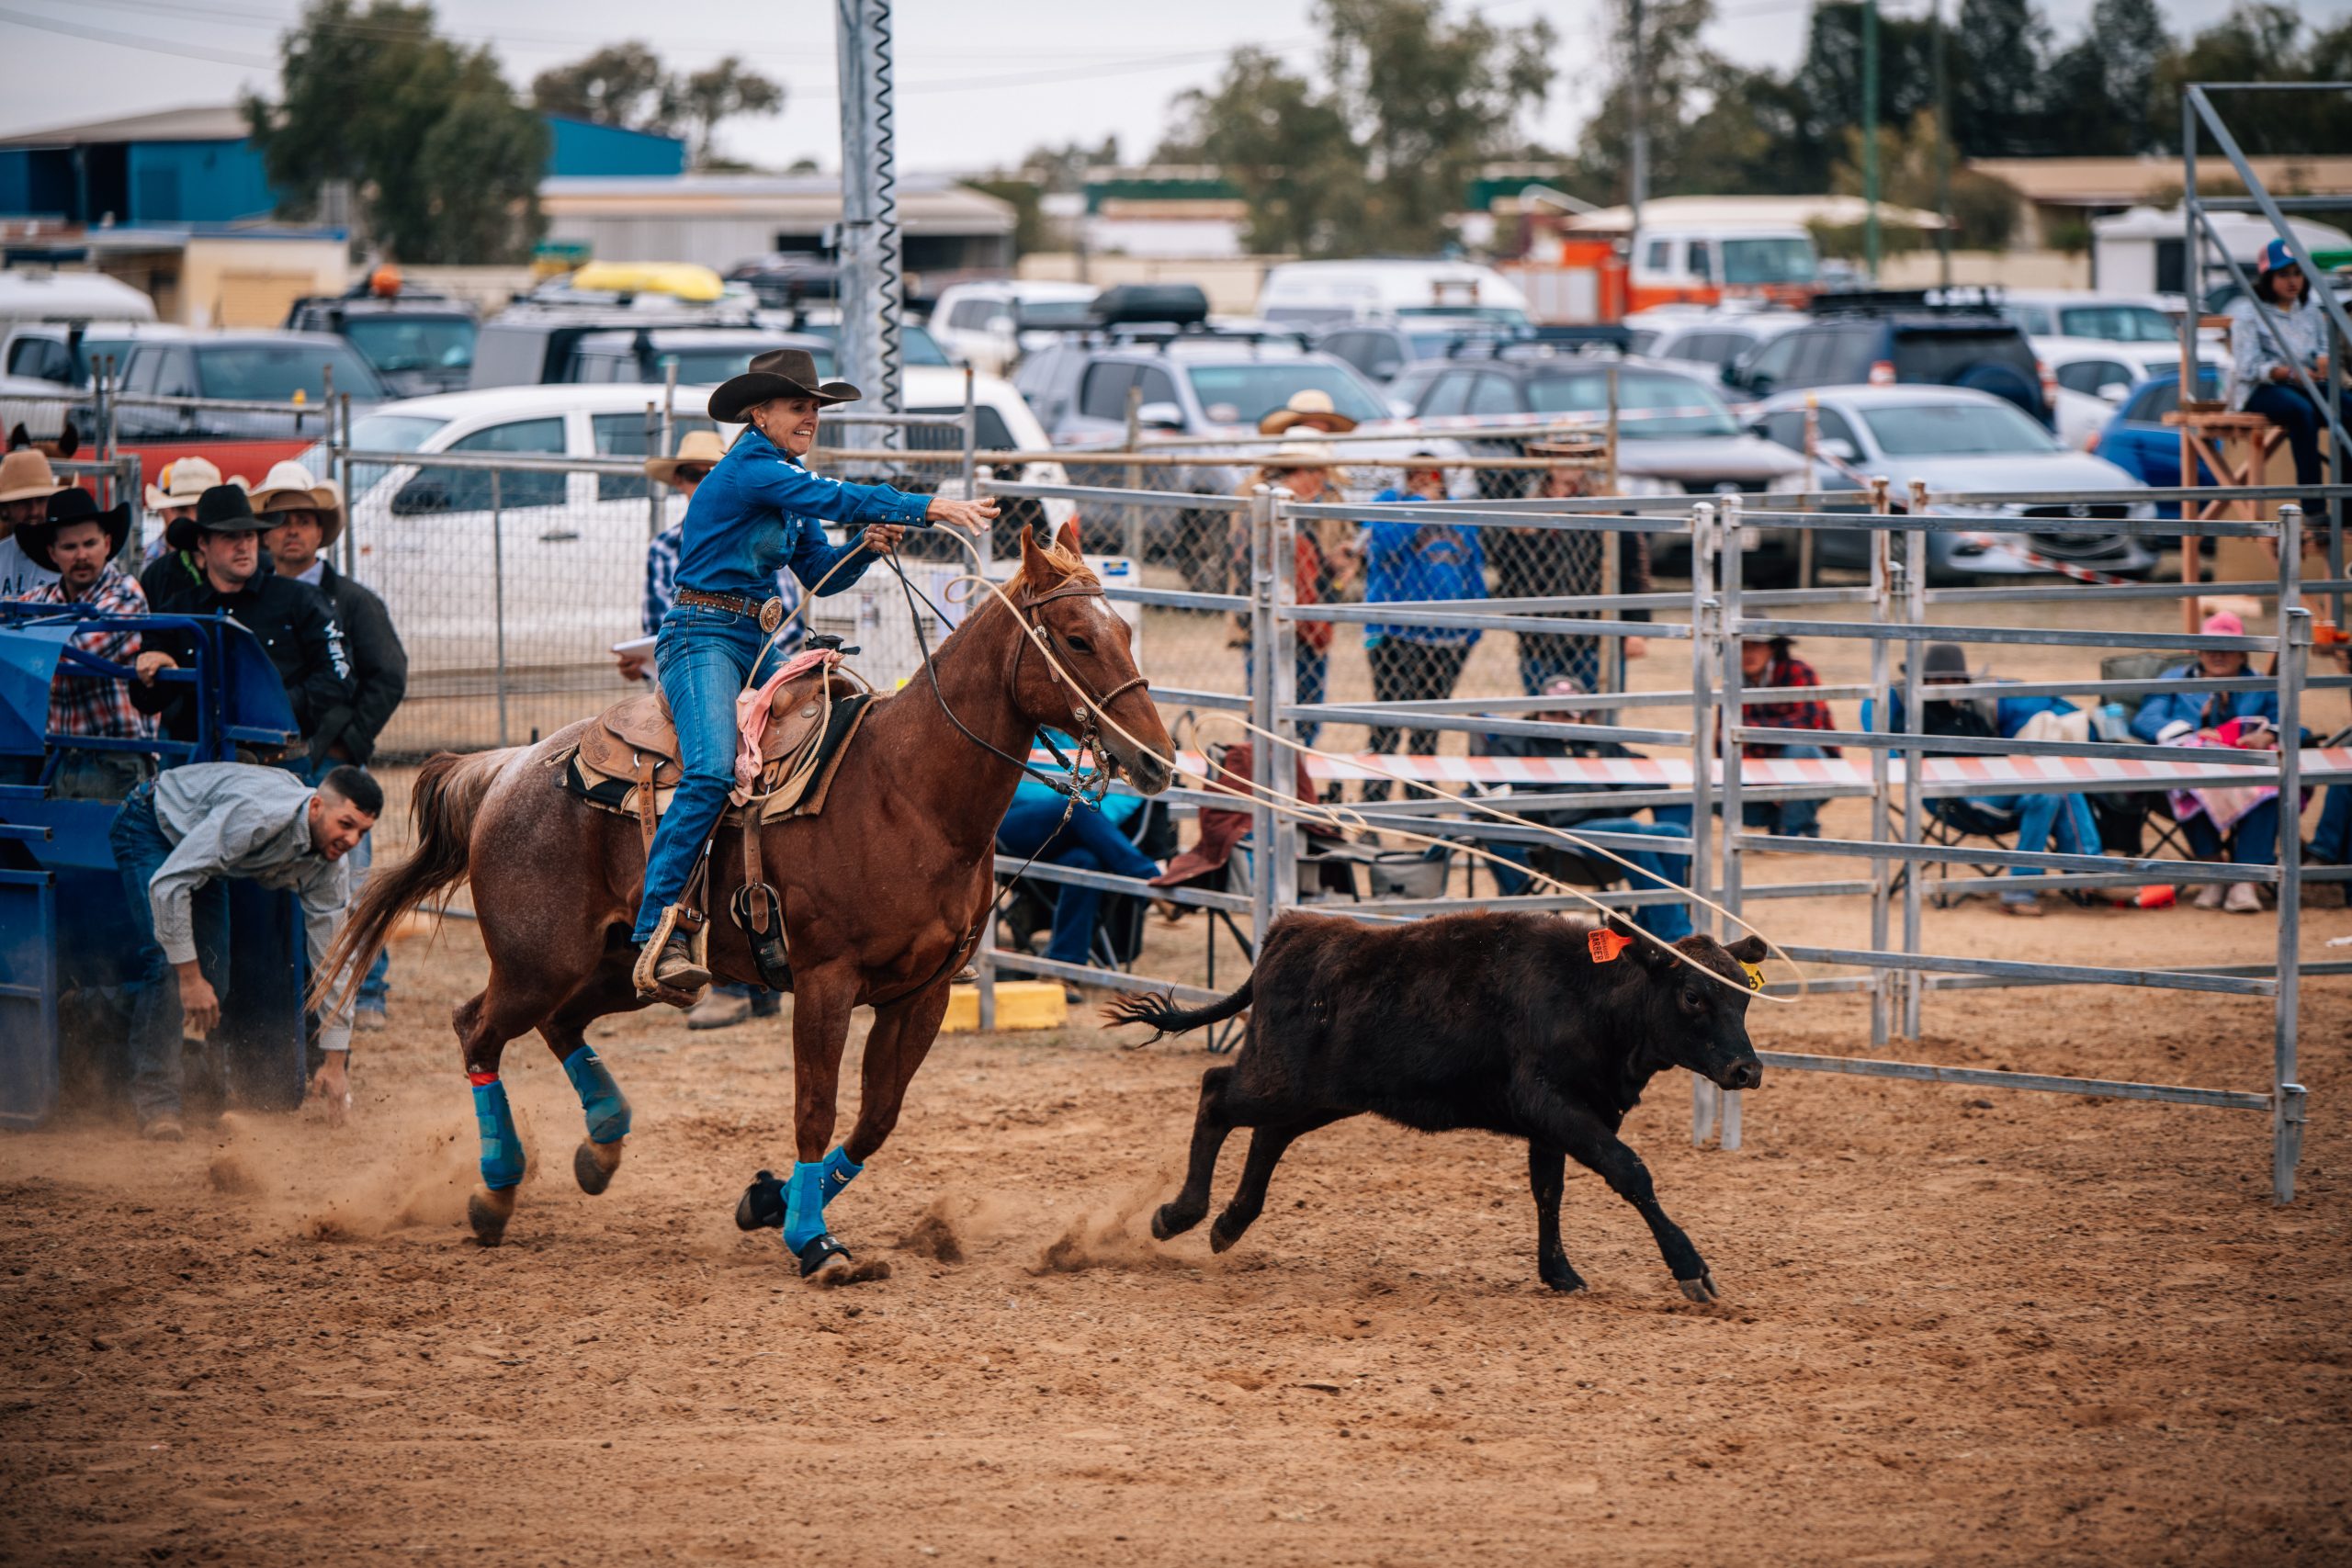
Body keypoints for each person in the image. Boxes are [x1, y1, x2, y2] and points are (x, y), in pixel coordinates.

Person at [631, 348, 995, 998]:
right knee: (713, 768)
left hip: (755, 639)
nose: (810, 418)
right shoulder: (753, 471)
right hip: (701, 638)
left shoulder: (783, 480)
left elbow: (819, 572)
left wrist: (866, 548)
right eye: (799, 406)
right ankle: (658, 928)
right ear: (759, 412)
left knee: (846, 739)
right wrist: (929, 506)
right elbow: (841, 497)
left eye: (814, 409)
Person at [624, 427, 795, 1030]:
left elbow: (792, 611)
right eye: (691, 476)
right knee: (711, 772)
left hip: (755, 654)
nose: (699, 484)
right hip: (699, 657)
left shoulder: (767, 522)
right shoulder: (666, 547)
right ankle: (661, 929)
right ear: (680, 483)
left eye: (708, 474)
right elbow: (658, 624)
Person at [108, 761, 379, 1141]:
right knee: (170, 967)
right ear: (317, 807)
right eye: (346, 824)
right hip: (150, 823)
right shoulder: (257, 816)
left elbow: (333, 959)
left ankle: (189, 1084)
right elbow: (169, 884)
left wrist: (335, 1062)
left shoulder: (330, 865)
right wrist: (188, 976)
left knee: (213, 980)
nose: (351, 840)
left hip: (204, 852)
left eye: (362, 832)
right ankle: (158, 1105)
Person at [255, 460, 408, 1028]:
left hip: (329, 760)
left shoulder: (353, 601)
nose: (292, 530)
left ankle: (366, 994)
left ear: (321, 531)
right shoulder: (258, 598)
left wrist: (346, 745)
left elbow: (388, 675)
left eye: (304, 519)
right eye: (281, 520)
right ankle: (296, 992)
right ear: (264, 533)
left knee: (350, 879)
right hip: (274, 758)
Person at [1868, 642, 2104, 919]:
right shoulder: (1912, 719)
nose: (1949, 685)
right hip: (1955, 798)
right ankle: (2025, 888)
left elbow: (1996, 753)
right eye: (1940, 680)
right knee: (2047, 793)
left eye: (1955, 679)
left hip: (1995, 787)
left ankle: (2089, 875)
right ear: (1925, 682)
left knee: (2060, 787)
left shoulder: (1969, 715)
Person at [134, 485, 356, 759]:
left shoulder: (301, 599)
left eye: (249, 535)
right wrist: (156, 673)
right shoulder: (178, 612)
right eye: (230, 536)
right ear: (203, 543)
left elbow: (340, 674)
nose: (243, 545)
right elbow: (144, 698)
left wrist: (277, 704)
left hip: (278, 762)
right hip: (198, 762)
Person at [1474, 677, 1695, 942]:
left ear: (1582, 716)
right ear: (1537, 711)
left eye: (1568, 714)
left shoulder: (1597, 742)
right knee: (1630, 831)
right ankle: (1677, 938)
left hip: (1608, 830)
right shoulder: (1516, 744)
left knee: (1673, 833)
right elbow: (1502, 792)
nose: (1558, 720)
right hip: (1557, 836)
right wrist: (1585, 803)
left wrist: (1609, 802)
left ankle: (1647, 932)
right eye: (1551, 712)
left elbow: (1650, 775)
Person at [2132, 609, 2290, 912]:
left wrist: (2269, 734)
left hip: (2248, 773)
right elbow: (2146, 718)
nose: (2218, 654)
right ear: (2198, 650)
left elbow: (2293, 722)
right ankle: (2213, 871)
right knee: (2188, 785)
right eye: (2210, 647)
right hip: (2195, 768)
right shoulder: (2174, 680)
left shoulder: (2264, 684)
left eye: (2227, 648)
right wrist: (2191, 734)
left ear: (2243, 653)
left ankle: (2246, 880)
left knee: (2272, 785)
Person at [12, 487, 159, 798]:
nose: (81, 555)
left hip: (117, 757)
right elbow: (10, 627)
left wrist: (25, 646)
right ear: (52, 553)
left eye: (90, 543)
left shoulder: (126, 593)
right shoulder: (43, 598)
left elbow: (78, 650)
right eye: (69, 546)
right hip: (60, 756)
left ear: (106, 545)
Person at [995, 733, 1163, 998]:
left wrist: (1089, 816)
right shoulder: (1022, 728)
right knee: (1076, 810)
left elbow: (1132, 792)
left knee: (1086, 863)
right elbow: (1017, 790)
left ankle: (1062, 969)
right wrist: (1083, 803)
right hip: (1009, 829)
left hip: (1065, 834)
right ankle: (1152, 883)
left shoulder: (1085, 735)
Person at [1356, 454, 1484, 800]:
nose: (1427, 482)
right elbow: (1383, 547)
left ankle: (1420, 804)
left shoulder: (1457, 511)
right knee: (1388, 723)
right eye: (1417, 476)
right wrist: (1418, 503)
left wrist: (1474, 628)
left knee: (1429, 726)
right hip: (1396, 633)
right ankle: (1374, 801)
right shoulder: (1390, 503)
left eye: (1433, 476)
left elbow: (1473, 566)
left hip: (1448, 637)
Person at [1490, 452, 1652, 695]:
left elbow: (1634, 568)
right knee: (1542, 713)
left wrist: (1636, 628)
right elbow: (1505, 565)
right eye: (1559, 455)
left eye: (1576, 456)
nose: (1568, 463)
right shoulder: (1526, 503)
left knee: (1597, 714)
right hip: (1539, 634)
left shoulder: (1609, 503)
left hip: (1597, 632)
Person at [1232, 443, 1340, 747]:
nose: (1324, 484)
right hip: (1286, 630)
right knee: (1279, 715)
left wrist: (1331, 567)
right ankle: (1269, 778)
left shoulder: (1276, 508)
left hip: (1290, 627)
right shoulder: (1272, 510)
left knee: (1288, 713)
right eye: (1320, 474)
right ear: (1305, 472)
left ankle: (1281, 776)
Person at [2226, 239, 2331, 520]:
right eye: (2284, 274)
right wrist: (2288, 372)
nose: (2293, 281)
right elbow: (2247, 367)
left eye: (2297, 273)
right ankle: (2313, 507)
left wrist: (2323, 361)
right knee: (2301, 413)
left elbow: (2322, 346)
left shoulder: (2309, 311)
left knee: (2346, 406)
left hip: (2304, 384)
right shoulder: (2248, 314)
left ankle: (2347, 506)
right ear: (2268, 277)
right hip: (2260, 390)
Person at [1732, 635, 1838, 840]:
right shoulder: (1732, 681)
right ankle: (1782, 822)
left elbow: (1808, 724)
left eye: (1756, 646)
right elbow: (1724, 741)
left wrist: (1750, 730)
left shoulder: (1797, 671)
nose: (1749, 654)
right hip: (1762, 772)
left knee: (1801, 749)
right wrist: (1766, 783)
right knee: (1717, 780)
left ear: (1772, 648)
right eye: (1742, 647)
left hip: (1813, 769)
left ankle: (1794, 830)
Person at [0, 444, 65, 598]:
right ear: (5, 509)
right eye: (23, 502)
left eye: (41, 500)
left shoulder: (70, 557)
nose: (34, 511)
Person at [139, 457, 228, 566]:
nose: (192, 518)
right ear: (161, 508)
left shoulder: (233, 559)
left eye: (200, 508)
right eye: (181, 509)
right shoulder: (147, 562)